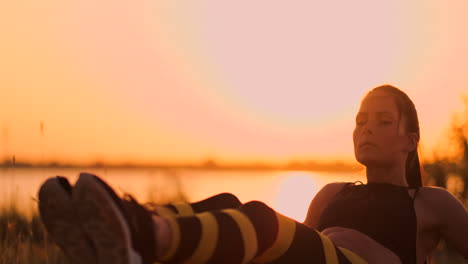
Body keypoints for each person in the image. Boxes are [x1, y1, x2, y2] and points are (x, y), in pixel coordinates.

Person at [38, 85, 468, 264]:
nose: (366, 128)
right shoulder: (333, 192)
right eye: (359, 120)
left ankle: (143, 238)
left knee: (264, 221)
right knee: (228, 205)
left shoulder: (430, 201)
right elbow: (298, 247)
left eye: (381, 121)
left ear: (410, 139)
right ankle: (129, 224)